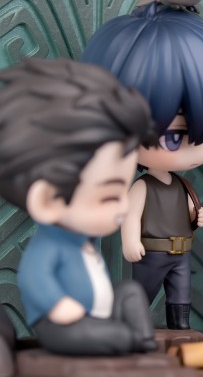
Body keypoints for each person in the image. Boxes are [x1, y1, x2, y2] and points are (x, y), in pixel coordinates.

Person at [82, 2, 203, 329]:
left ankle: (179, 329)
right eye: (175, 136)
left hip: (181, 252)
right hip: (151, 252)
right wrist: (130, 240)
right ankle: (133, 329)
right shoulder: (142, 186)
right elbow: (131, 216)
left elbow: (187, 210)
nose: (195, 148)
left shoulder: (183, 185)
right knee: (142, 294)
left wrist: (197, 216)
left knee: (180, 297)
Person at [0, 57, 157, 355]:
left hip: (100, 313)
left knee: (130, 291)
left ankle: (141, 340)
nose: (124, 207)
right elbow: (33, 277)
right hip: (64, 326)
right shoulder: (49, 246)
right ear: (48, 201)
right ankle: (125, 339)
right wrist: (58, 304)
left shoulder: (87, 239)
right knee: (107, 336)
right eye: (110, 196)